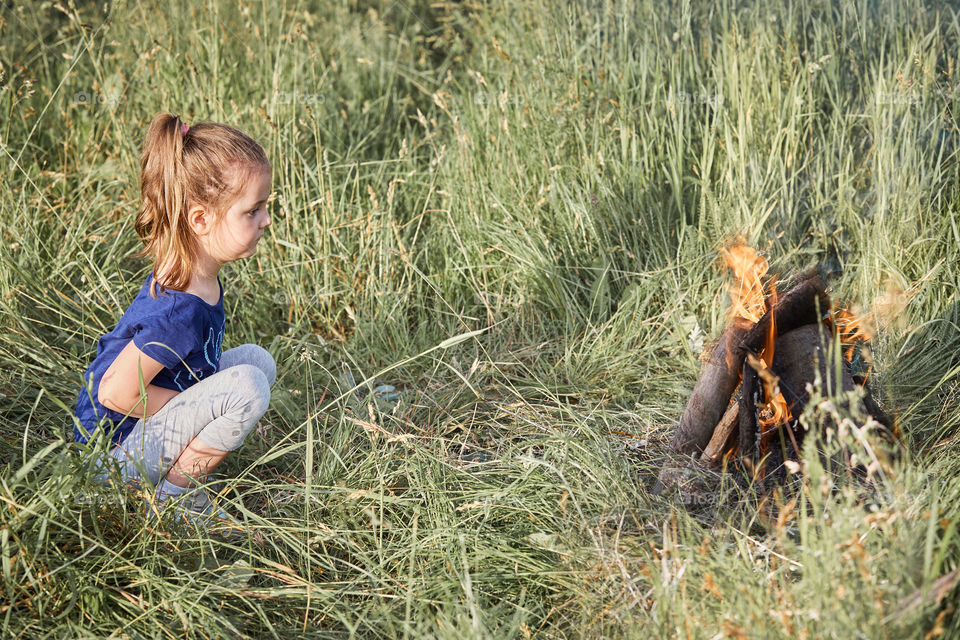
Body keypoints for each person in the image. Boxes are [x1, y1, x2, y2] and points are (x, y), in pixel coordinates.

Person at [72, 113, 276, 532]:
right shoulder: (179, 309)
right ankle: (173, 502)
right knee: (246, 388)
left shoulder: (198, 276)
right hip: (108, 458)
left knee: (258, 362)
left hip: (140, 435)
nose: (266, 220)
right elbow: (114, 391)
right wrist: (201, 406)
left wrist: (201, 403)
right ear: (200, 220)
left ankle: (177, 484)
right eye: (253, 210)